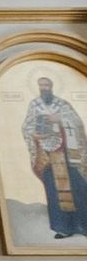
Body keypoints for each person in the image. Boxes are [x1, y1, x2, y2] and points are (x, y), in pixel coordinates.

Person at [24, 74, 87, 238]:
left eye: (46, 85)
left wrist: (59, 120)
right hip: (47, 154)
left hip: (66, 153)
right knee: (54, 190)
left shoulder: (63, 105)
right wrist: (35, 136)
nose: (43, 88)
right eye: (40, 85)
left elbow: (77, 124)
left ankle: (82, 225)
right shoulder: (34, 105)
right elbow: (27, 126)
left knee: (77, 186)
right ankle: (63, 227)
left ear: (51, 87)